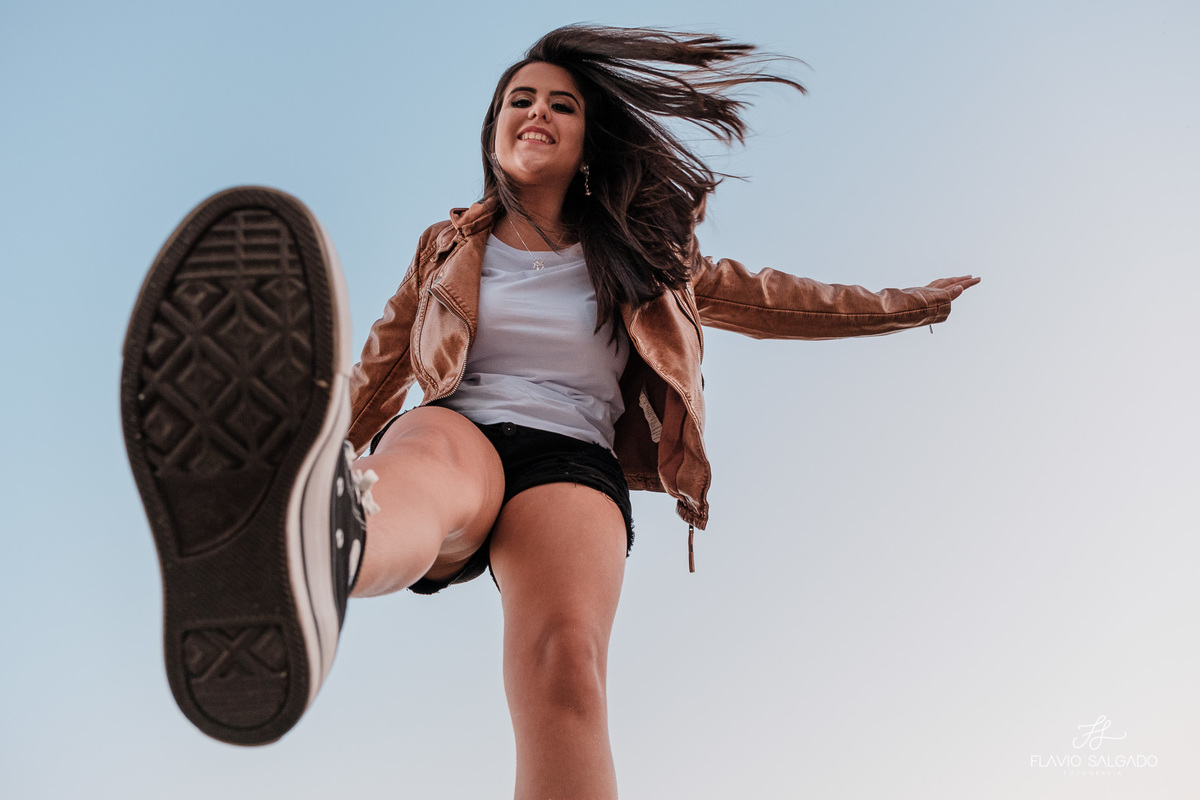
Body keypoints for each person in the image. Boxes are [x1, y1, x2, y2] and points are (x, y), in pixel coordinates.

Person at [121, 24, 978, 798]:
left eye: (560, 104)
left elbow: (786, 300)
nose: (536, 112)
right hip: (462, 428)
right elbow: (379, 370)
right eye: (519, 100)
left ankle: (316, 532)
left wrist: (911, 305)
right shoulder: (449, 245)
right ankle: (319, 538)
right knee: (420, 476)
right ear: (495, 130)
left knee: (568, 669)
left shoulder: (654, 257)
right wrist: (299, 449)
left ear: (586, 138)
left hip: (574, 460)